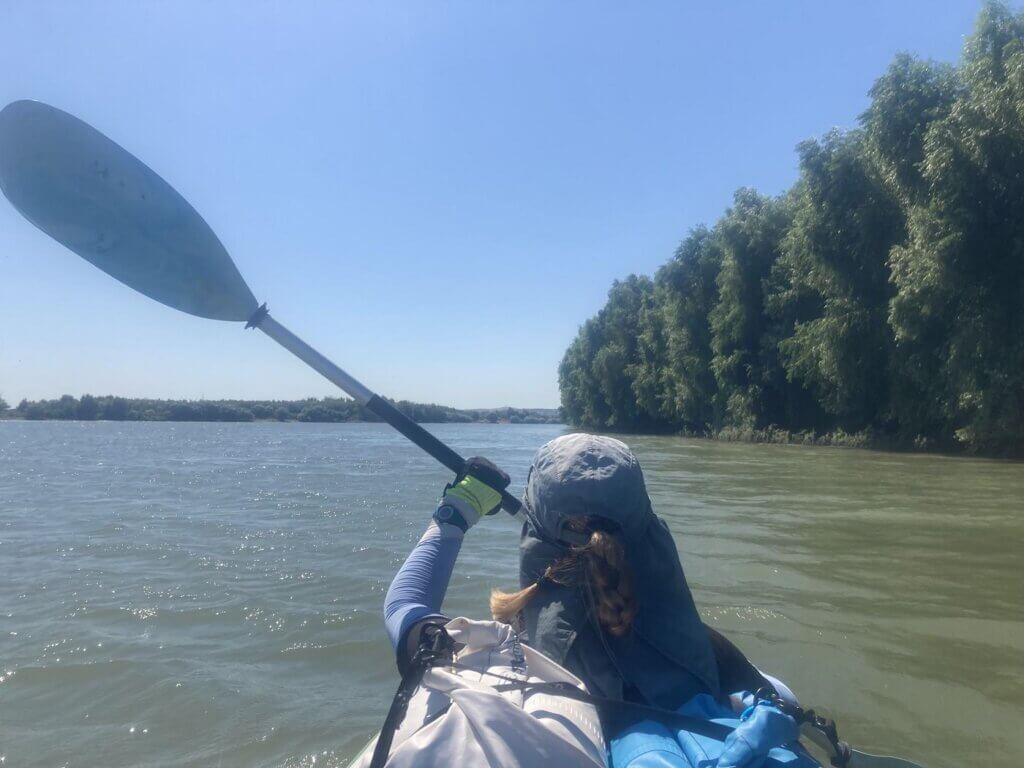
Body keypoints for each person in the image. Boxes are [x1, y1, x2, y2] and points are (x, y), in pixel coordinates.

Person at [375, 433, 817, 768]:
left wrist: (459, 510)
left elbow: (404, 606)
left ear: (535, 540)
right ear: (651, 531)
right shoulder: (710, 654)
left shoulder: (505, 655)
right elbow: (776, 692)